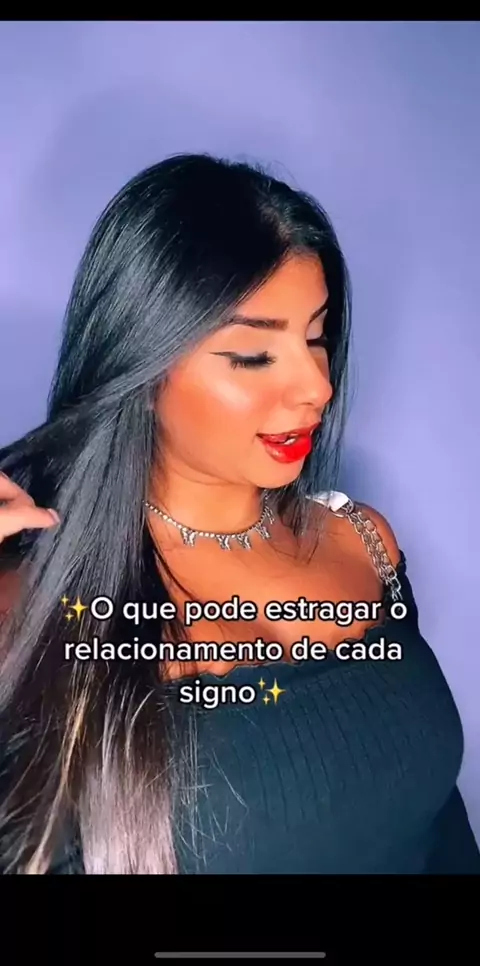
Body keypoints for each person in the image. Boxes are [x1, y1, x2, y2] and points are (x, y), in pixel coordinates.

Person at [0, 153, 478, 875]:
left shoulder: (364, 542)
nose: (316, 387)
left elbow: (436, 825)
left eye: (316, 336)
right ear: (141, 366)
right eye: (254, 355)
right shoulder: (34, 601)